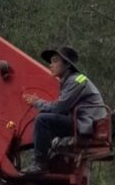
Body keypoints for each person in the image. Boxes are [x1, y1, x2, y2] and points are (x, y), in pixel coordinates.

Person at [21, 45, 106, 174]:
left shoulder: (76, 80)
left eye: (55, 61)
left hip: (87, 124)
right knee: (46, 119)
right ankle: (47, 159)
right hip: (83, 122)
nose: (51, 65)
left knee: (42, 120)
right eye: (51, 62)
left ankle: (39, 164)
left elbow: (59, 108)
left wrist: (37, 102)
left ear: (67, 65)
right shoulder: (70, 81)